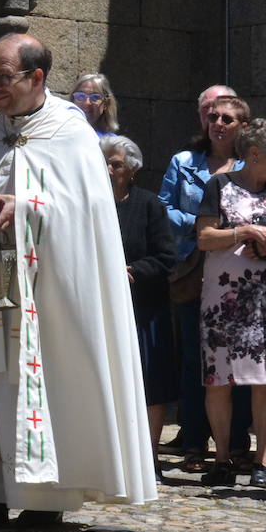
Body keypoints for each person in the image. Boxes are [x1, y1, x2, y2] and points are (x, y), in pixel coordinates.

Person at [0, 34, 157, 530]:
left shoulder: (70, 131)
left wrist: (23, 208)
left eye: (4, 79)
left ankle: (46, 499)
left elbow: (87, 213)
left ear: (37, 77)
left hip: (48, 296)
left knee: (47, 381)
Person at [159, 91, 248, 473]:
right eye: (213, 118)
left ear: (243, 126)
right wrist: (202, 225)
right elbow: (164, 207)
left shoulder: (253, 164)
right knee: (197, 360)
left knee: (242, 363)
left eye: (227, 119)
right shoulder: (184, 163)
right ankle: (194, 442)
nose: (218, 124)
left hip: (241, 273)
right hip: (193, 268)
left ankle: (238, 444)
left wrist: (224, 231)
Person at [194, 118, 266, 488]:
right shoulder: (219, 186)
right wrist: (244, 232)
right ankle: (222, 457)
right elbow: (205, 238)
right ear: (255, 155)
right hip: (223, 299)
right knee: (218, 380)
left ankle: (261, 460)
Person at [103, 136, 178, 473]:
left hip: (143, 308)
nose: (108, 170)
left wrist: (131, 271)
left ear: (131, 170)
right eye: (104, 162)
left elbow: (166, 256)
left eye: (115, 164)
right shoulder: (89, 204)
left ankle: (149, 456)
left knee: (150, 383)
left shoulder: (148, 205)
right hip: (101, 307)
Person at [70, 73, 119, 138]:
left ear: (106, 104)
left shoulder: (111, 144)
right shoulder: (58, 132)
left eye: (95, 97)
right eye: (80, 96)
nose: (87, 103)